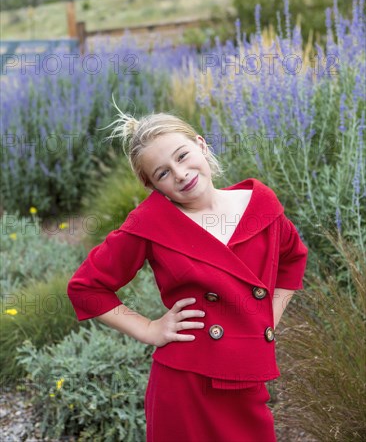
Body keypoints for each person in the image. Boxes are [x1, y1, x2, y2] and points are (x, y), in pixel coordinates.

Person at [67, 101, 308, 442]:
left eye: (181, 156)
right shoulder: (150, 224)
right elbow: (86, 288)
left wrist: (268, 314)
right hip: (185, 384)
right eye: (163, 173)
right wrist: (150, 328)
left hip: (247, 378)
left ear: (201, 145)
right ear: (153, 187)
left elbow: (293, 258)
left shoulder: (261, 205)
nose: (179, 173)